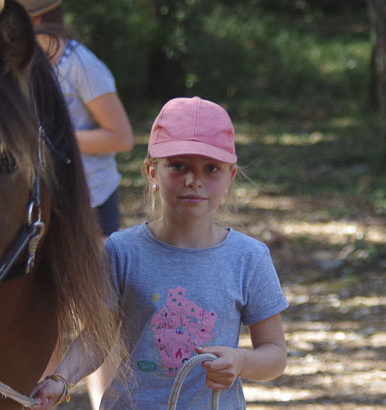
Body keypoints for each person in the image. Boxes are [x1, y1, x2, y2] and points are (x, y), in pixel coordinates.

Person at [30, 97, 288, 409]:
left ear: (229, 178)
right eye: (178, 166)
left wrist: (242, 362)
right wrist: (61, 379)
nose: (194, 180)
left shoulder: (249, 258)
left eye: (211, 169)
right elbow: (96, 337)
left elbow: (274, 353)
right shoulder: (122, 250)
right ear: (152, 172)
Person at [18, 0, 134, 236]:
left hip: (90, 202)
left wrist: (50, 138)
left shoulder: (81, 64)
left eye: (9, 20)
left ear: (35, 20)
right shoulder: (22, 61)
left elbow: (122, 138)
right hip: (42, 202)